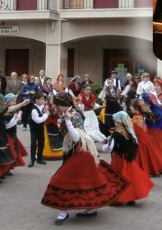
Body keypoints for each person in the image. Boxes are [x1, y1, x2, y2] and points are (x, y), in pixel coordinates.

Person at [41, 92, 129, 224]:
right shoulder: (69, 113)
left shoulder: (73, 116)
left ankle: (63, 211)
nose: (55, 107)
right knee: (83, 180)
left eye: (56, 105)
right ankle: (89, 208)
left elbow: (77, 138)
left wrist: (67, 122)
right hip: (75, 152)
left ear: (63, 104)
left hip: (80, 153)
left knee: (61, 180)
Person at [102, 111, 154, 206]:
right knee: (131, 177)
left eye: (115, 121)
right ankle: (131, 198)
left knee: (117, 178)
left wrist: (104, 145)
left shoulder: (117, 133)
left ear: (120, 122)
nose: (114, 123)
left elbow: (109, 148)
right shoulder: (130, 131)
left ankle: (118, 199)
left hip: (118, 158)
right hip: (128, 158)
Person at [3, 93, 29, 172]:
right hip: (7, 135)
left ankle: (9, 168)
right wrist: (15, 118)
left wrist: (18, 116)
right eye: (13, 101)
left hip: (13, 133)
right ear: (7, 102)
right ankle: (6, 168)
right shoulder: (6, 111)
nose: (14, 103)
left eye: (15, 101)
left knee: (13, 152)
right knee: (10, 152)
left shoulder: (13, 110)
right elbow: (7, 125)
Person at [28, 92, 50, 167]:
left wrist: (46, 107)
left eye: (43, 99)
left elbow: (45, 106)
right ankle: (32, 160)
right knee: (33, 144)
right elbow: (38, 120)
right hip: (34, 129)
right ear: (36, 100)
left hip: (40, 129)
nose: (43, 101)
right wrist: (46, 114)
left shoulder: (41, 106)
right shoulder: (34, 110)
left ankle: (39, 158)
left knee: (41, 143)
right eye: (41, 99)